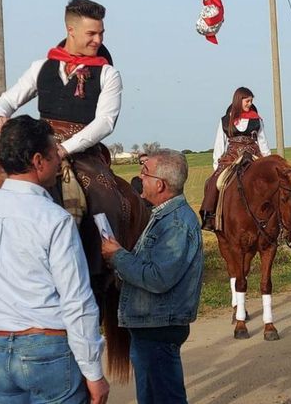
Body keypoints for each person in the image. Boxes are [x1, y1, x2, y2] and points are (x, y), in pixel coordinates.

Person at [0, 115, 110, 404]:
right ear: (39, 161)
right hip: (47, 352)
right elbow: (76, 301)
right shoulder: (55, 219)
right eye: (54, 155)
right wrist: (93, 372)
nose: (58, 162)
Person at [0, 0, 126, 277]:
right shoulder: (41, 67)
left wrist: (64, 149)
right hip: (38, 147)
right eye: (91, 33)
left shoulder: (108, 74)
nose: (98, 39)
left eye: (101, 33)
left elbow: (105, 122)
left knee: (105, 199)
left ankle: (103, 274)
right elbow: (7, 99)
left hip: (83, 153)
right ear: (70, 30)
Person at [101, 150, 204, 404]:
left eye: (145, 172)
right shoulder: (163, 216)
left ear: (160, 185)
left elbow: (158, 277)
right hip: (151, 324)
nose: (140, 177)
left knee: (165, 398)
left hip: (157, 326)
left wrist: (117, 256)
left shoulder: (176, 224)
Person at [199, 86, 272, 231]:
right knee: (214, 181)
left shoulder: (257, 120)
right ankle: (210, 216)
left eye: (251, 101)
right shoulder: (225, 120)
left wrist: (268, 162)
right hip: (231, 157)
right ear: (239, 100)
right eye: (247, 101)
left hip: (252, 155)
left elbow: (263, 143)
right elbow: (219, 144)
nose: (249, 104)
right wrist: (217, 167)